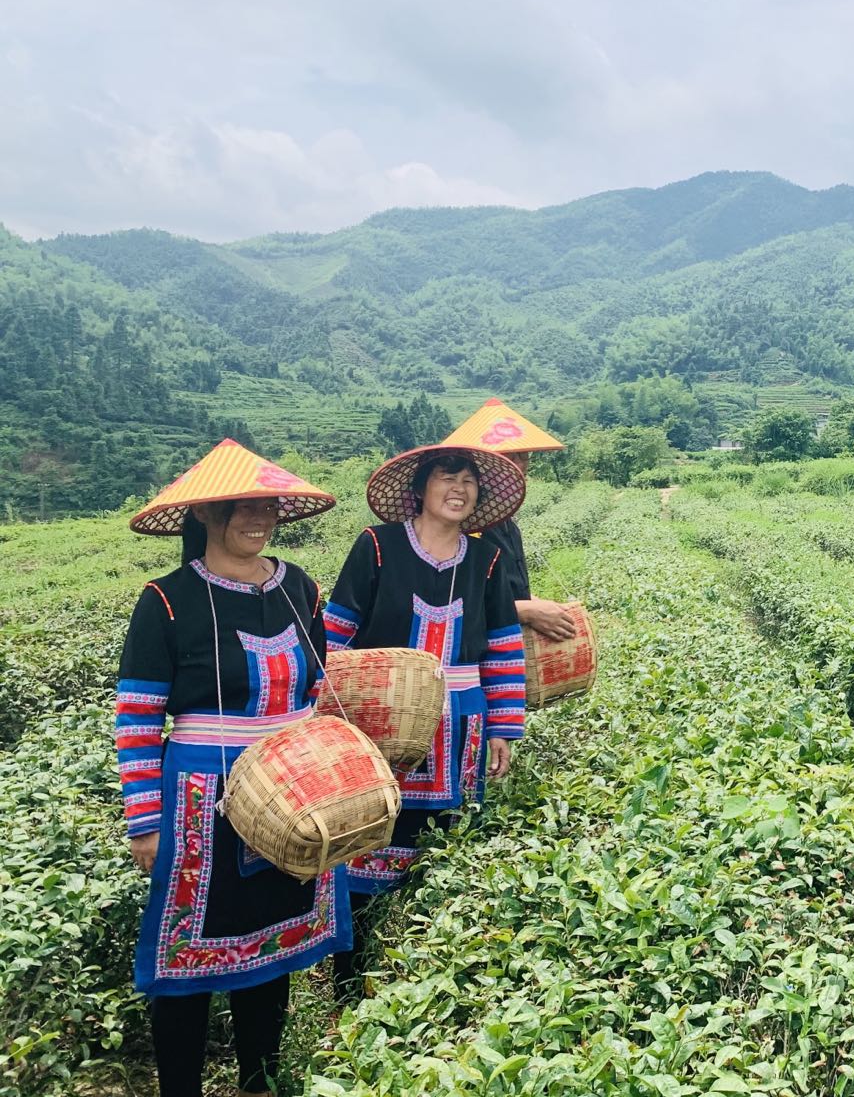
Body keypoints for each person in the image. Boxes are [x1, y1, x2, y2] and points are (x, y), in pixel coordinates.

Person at [115, 440, 349, 1097]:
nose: (258, 515)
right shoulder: (167, 600)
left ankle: (259, 1080)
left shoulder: (300, 586)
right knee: (185, 961)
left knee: (270, 943)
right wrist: (146, 824)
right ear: (207, 515)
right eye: (239, 505)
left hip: (288, 790)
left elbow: (318, 687)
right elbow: (136, 718)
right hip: (200, 800)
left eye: (267, 504)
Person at [324, 443, 527, 998]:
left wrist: (506, 727)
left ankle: (426, 981)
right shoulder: (377, 547)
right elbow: (336, 633)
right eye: (447, 476)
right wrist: (322, 718)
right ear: (421, 487)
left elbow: (504, 649)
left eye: (469, 480)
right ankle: (351, 980)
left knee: (441, 841)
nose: (459, 488)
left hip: (461, 724)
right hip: (381, 723)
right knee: (370, 836)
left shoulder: (488, 560)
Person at [441, 398, 581, 642]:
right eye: (508, 456)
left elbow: (504, 591)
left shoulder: (506, 523)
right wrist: (526, 610)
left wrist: (536, 604)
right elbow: (452, 604)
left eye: (523, 455)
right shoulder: (461, 528)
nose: (518, 464)